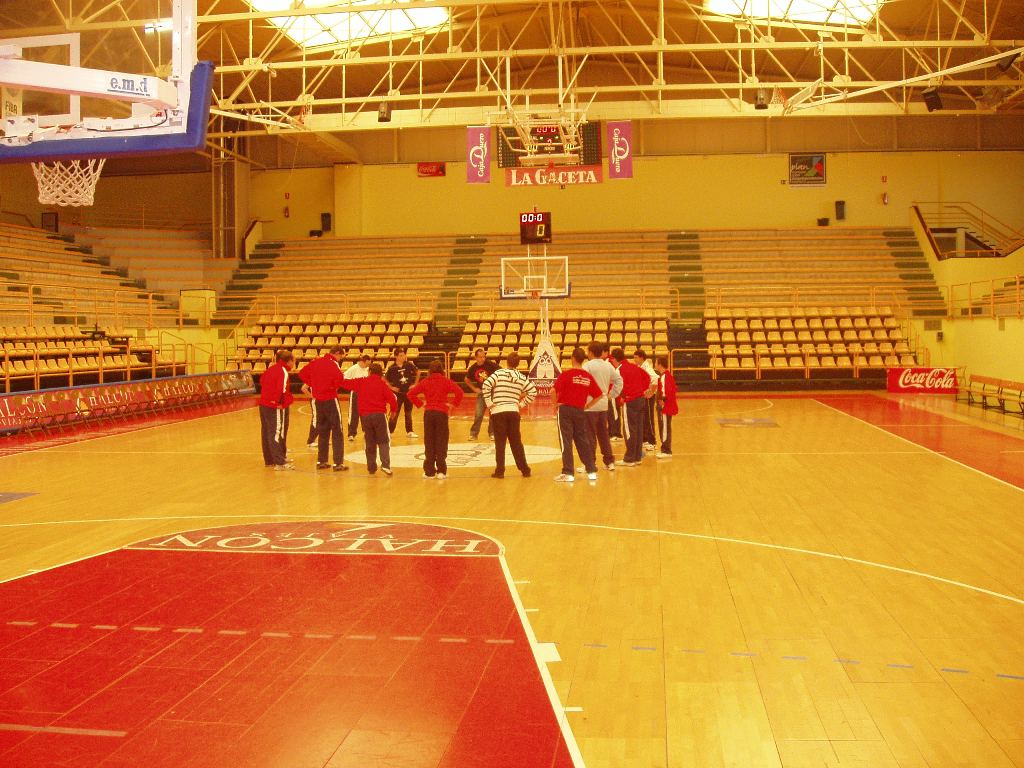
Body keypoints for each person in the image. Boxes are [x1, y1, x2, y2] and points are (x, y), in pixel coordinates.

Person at [481, 352, 536, 478]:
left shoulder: (499, 373)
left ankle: (500, 471)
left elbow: (486, 385)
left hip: (498, 411)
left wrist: (489, 403)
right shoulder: (521, 377)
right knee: (516, 442)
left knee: (500, 443)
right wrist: (521, 404)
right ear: (518, 363)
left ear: (507, 361)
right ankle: (525, 469)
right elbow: (533, 392)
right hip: (513, 411)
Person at [552, 348, 603, 482]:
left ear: (573, 358)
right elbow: (599, 394)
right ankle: (591, 470)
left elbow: (553, 390)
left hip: (565, 410)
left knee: (566, 441)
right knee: (583, 441)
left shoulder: (567, 374)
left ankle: (568, 472)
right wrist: (588, 405)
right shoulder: (587, 376)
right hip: (580, 411)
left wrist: (555, 404)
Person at [408, 359, 463, 478]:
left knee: (429, 441)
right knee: (441, 441)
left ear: (430, 370)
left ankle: (429, 471)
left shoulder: (425, 381)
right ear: (442, 369)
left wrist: (421, 404)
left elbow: (410, 394)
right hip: (442, 413)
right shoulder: (446, 381)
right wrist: (453, 404)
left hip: (429, 413)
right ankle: (441, 471)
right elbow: (460, 392)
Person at [298, 345, 348, 471]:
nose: (340, 359)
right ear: (337, 353)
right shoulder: (333, 364)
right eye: (341, 356)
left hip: (318, 400)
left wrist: (313, 383)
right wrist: (332, 387)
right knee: (337, 431)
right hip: (330, 399)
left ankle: (322, 461)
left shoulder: (316, 362)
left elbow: (302, 373)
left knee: (323, 431)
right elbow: (339, 380)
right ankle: (338, 463)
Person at [345, 363, 398, 475]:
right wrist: (393, 412)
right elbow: (392, 399)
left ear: (369, 372)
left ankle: (371, 467)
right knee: (383, 441)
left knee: (369, 441)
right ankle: (385, 465)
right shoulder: (382, 384)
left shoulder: (361, 382)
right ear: (381, 374)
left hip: (365, 417)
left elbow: (345, 383)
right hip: (379, 415)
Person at [609, 347, 655, 466]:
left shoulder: (619, 370)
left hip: (630, 401)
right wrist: (643, 390)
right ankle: (637, 456)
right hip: (640, 400)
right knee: (639, 428)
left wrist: (621, 396)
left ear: (614, 359)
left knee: (629, 429)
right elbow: (647, 377)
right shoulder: (634, 367)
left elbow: (618, 386)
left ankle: (629, 458)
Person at [582, 342, 623, 472]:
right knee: (604, 434)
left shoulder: (587, 366)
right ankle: (609, 461)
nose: (587, 354)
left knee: (590, 435)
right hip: (604, 405)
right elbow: (619, 380)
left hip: (590, 405)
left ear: (592, 353)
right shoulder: (608, 366)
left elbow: (583, 383)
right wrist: (612, 395)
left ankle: (590, 464)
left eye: (588, 351)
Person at [259, 349, 295, 471]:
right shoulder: (282, 371)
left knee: (266, 432)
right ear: (289, 361)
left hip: (263, 405)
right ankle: (280, 462)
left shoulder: (270, 369)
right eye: (293, 361)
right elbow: (281, 389)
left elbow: (262, 381)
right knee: (276, 432)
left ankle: (270, 460)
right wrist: (278, 402)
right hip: (273, 406)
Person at [465, 348, 498, 441]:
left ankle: (492, 433)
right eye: (480, 357)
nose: (483, 359)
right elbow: (466, 380)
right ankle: (473, 434)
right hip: (482, 394)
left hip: (492, 392)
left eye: (484, 356)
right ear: (476, 357)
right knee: (478, 414)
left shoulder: (490, 364)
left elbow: (500, 371)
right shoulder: (473, 368)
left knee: (493, 414)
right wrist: (474, 388)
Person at [385, 348, 419, 438]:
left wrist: (415, 384)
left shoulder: (409, 365)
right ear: (396, 356)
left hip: (408, 393)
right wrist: (391, 387)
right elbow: (384, 379)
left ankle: (410, 431)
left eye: (404, 355)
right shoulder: (392, 368)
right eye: (401, 355)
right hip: (398, 395)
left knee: (408, 413)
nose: (403, 357)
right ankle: (389, 431)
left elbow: (418, 372)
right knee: (394, 412)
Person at [633, 349, 658, 450]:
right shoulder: (640, 367)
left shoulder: (647, 368)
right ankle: (645, 439)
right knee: (643, 418)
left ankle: (652, 441)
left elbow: (655, 379)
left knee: (649, 418)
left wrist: (651, 392)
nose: (634, 360)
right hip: (643, 396)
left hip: (648, 397)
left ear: (641, 357)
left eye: (635, 357)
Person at [654, 356, 677, 459]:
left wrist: (662, 401)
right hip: (666, 406)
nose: (654, 365)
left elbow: (667, 391)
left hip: (665, 407)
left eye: (656, 363)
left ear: (660, 364)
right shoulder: (666, 376)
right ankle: (666, 449)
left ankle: (666, 450)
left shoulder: (664, 377)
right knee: (665, 427)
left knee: (664, 428)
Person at [344, 354, 371, 442]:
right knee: (353, 414)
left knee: (366, 413)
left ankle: (367, 432)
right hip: (355, 393)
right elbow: (344, 377)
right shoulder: (353, 368)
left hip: (366, 394)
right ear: (363, 361)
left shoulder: (368, 369)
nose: (368, 365)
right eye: (367, 363)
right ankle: (351, 433)